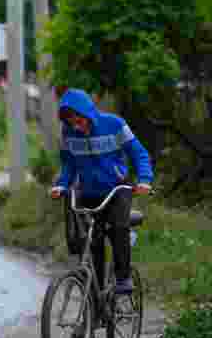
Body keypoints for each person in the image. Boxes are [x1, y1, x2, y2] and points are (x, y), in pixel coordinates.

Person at [49, 89, 153, 303]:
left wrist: (144, 179)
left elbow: (138, 152)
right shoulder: (68, 133)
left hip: (117, 189)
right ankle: (96, 299)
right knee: (91, 241)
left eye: (78, 118)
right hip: (89, 192)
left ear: (88, 112)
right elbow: (68, 164)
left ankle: (123, 278)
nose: (75, 124)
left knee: (119, 227)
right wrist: (61, 185)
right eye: (70, 120)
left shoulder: (114, 124)